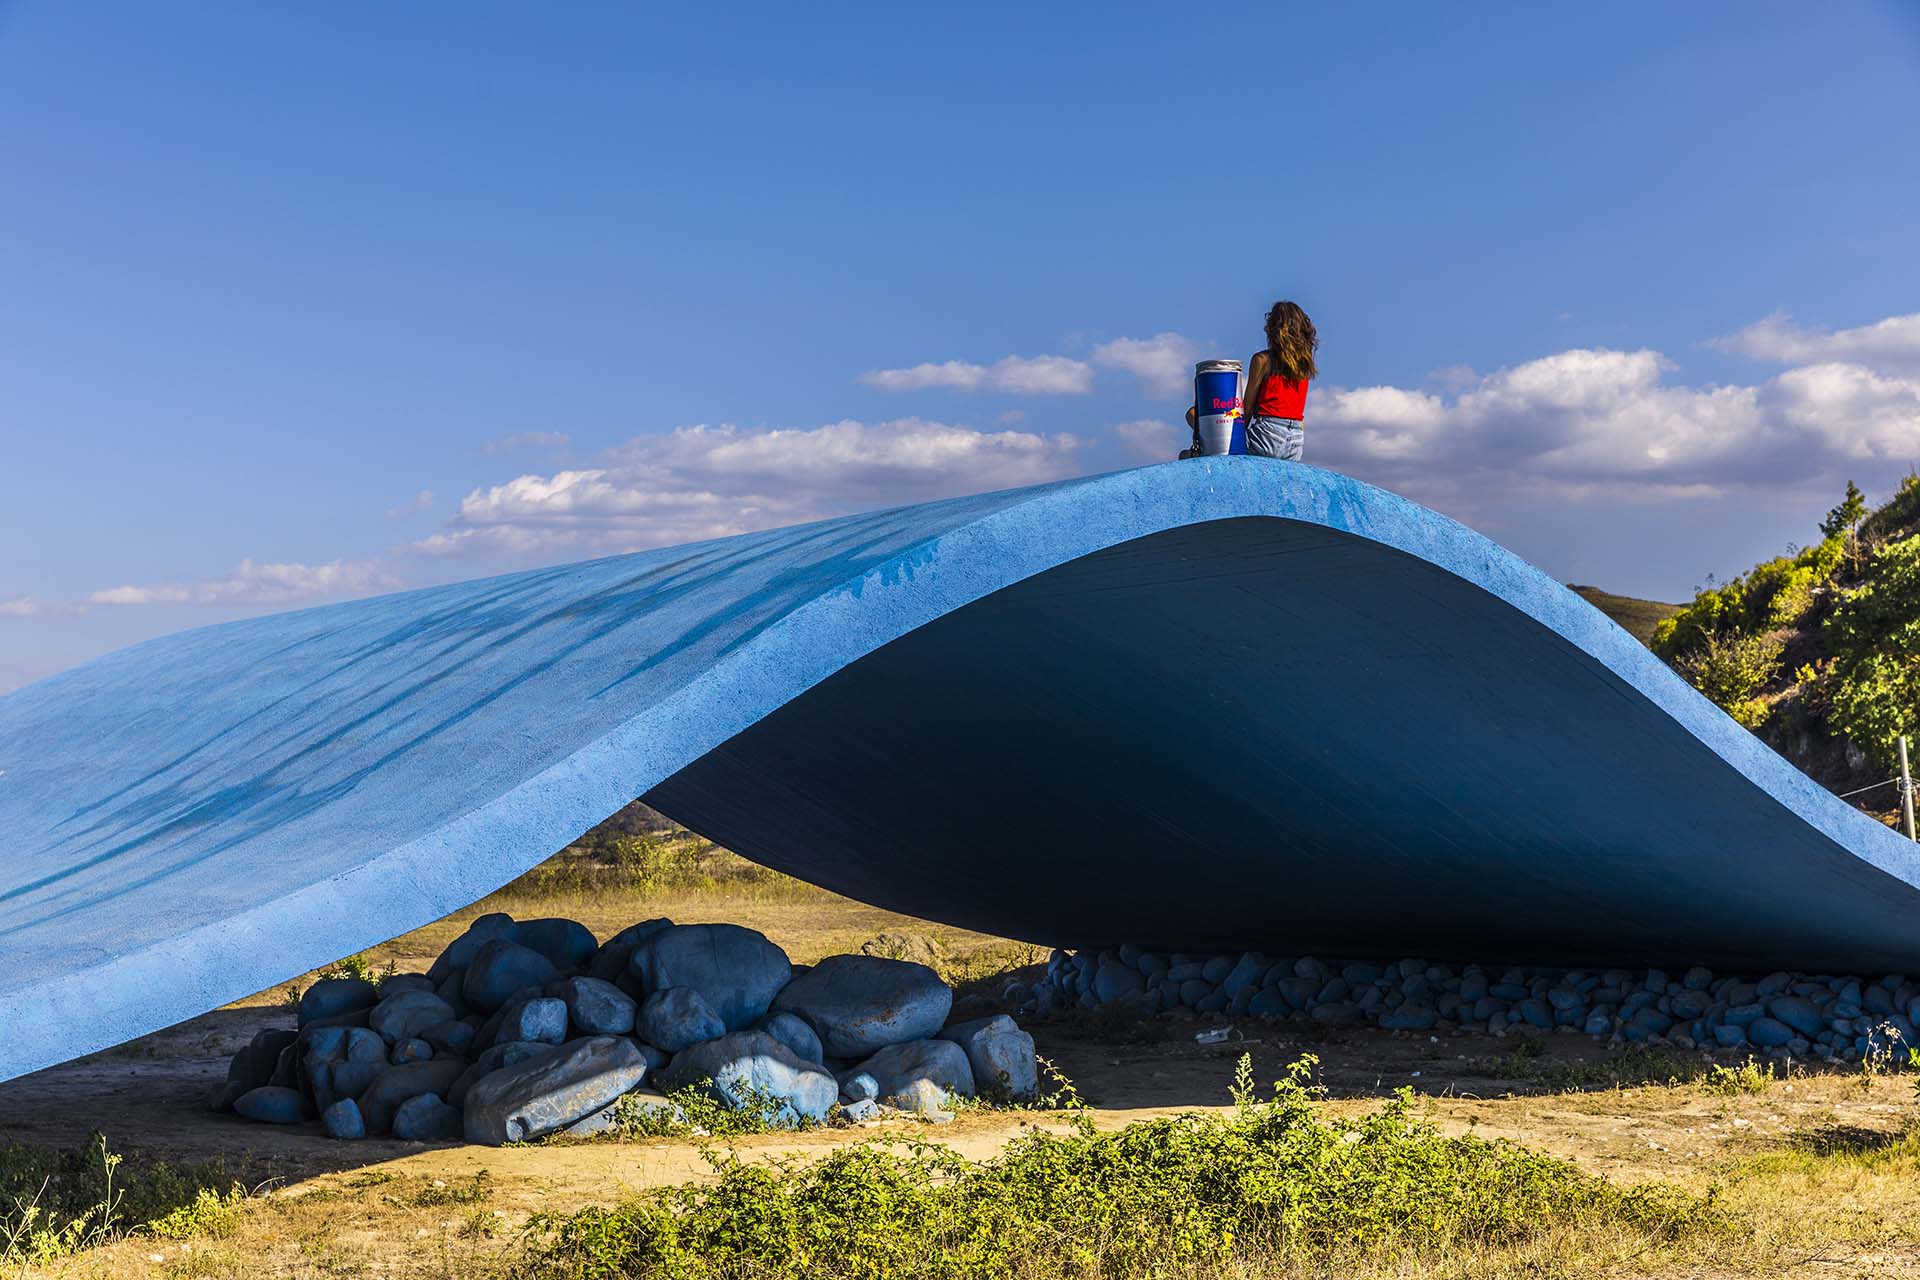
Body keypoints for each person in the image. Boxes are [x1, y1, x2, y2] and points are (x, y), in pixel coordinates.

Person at [1183, 300, 1317, 460]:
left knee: (1192, 418)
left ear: (1273, 330)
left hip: (1268, 437)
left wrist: (1229, 434)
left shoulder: (1263, 360)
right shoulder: (1305, 365)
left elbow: (1247, 409)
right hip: (1296, 443)